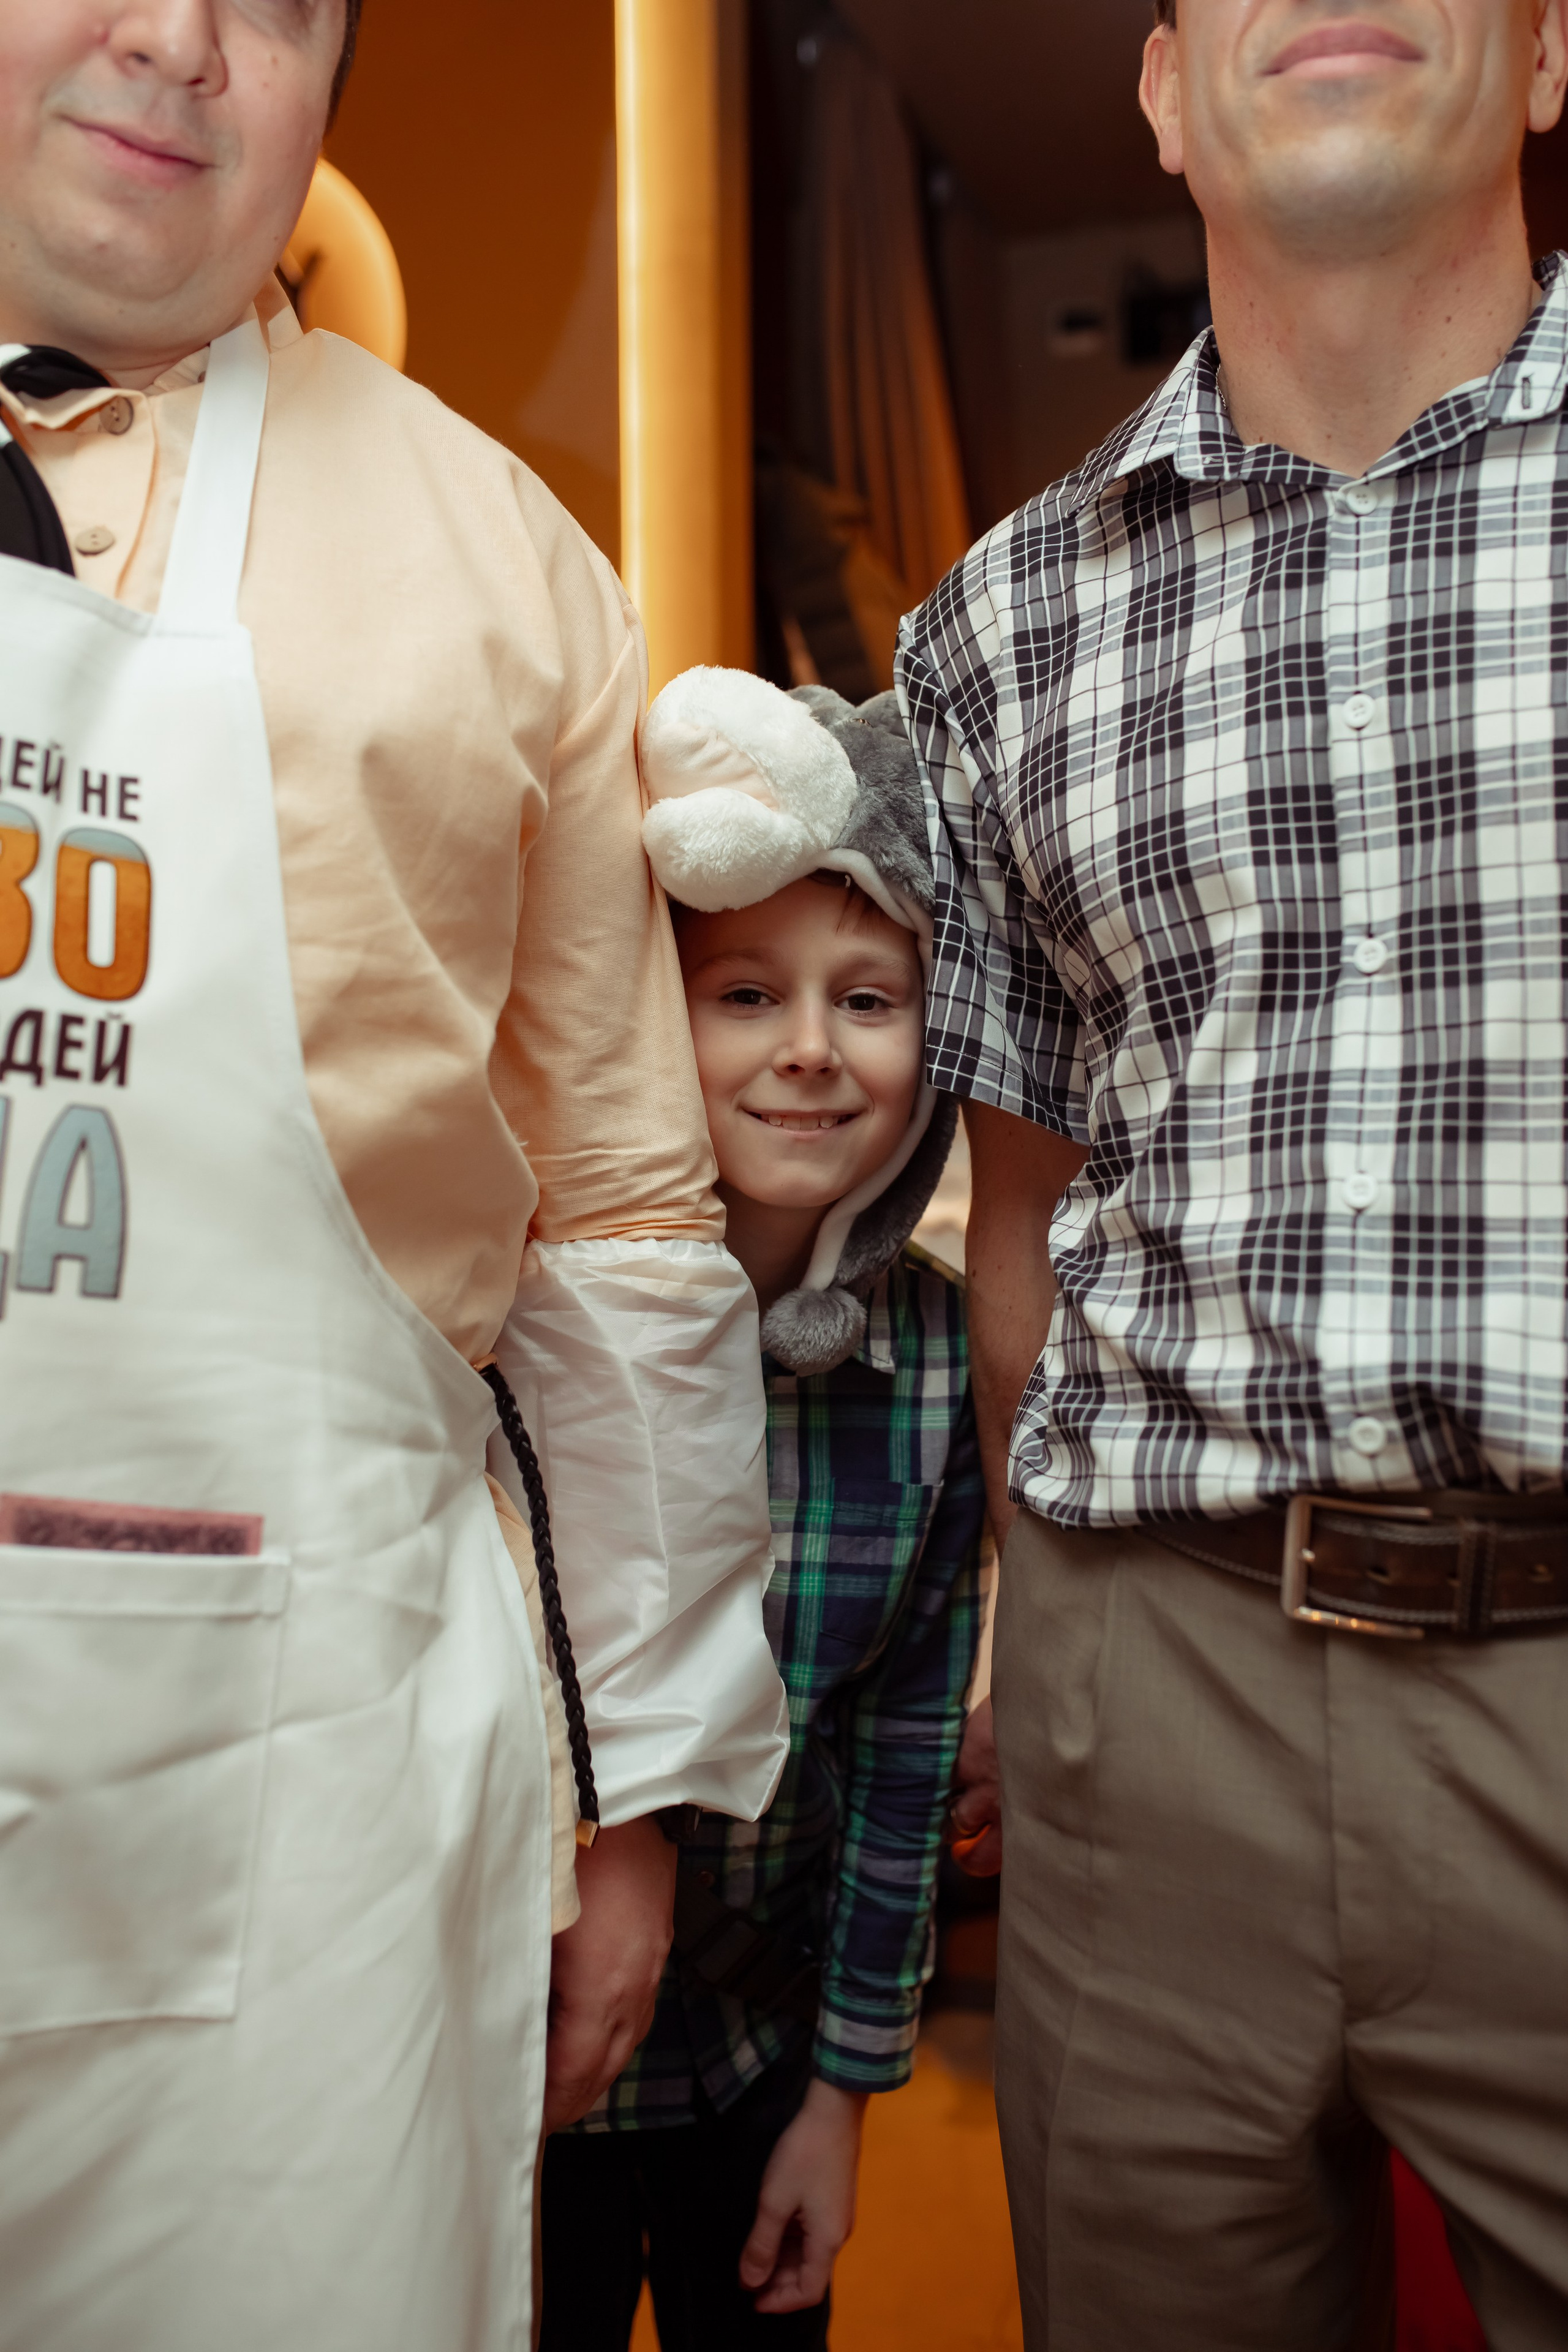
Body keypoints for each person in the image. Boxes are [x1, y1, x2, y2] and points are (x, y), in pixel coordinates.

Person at [0, 6, 788, 2348]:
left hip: (319, 1776)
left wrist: (631, 1795)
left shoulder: (498, 558)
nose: (176, 43)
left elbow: (629, 1230)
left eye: (274, 6)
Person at [902, 2, 1568, 2346]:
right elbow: (1016, 1221)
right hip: (1144, 1681)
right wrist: (1044, 1670)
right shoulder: (992, 627)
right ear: (1171, 98)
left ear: (1551, 57)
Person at [537, 671, 987, 2351]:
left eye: (868, 999)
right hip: (511, 2066)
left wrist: (845, 2096)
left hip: (756, 2062)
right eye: (744, 994)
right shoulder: (530, 1317)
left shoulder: (935, 1359)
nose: (809, 1047)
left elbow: (903, 1756)